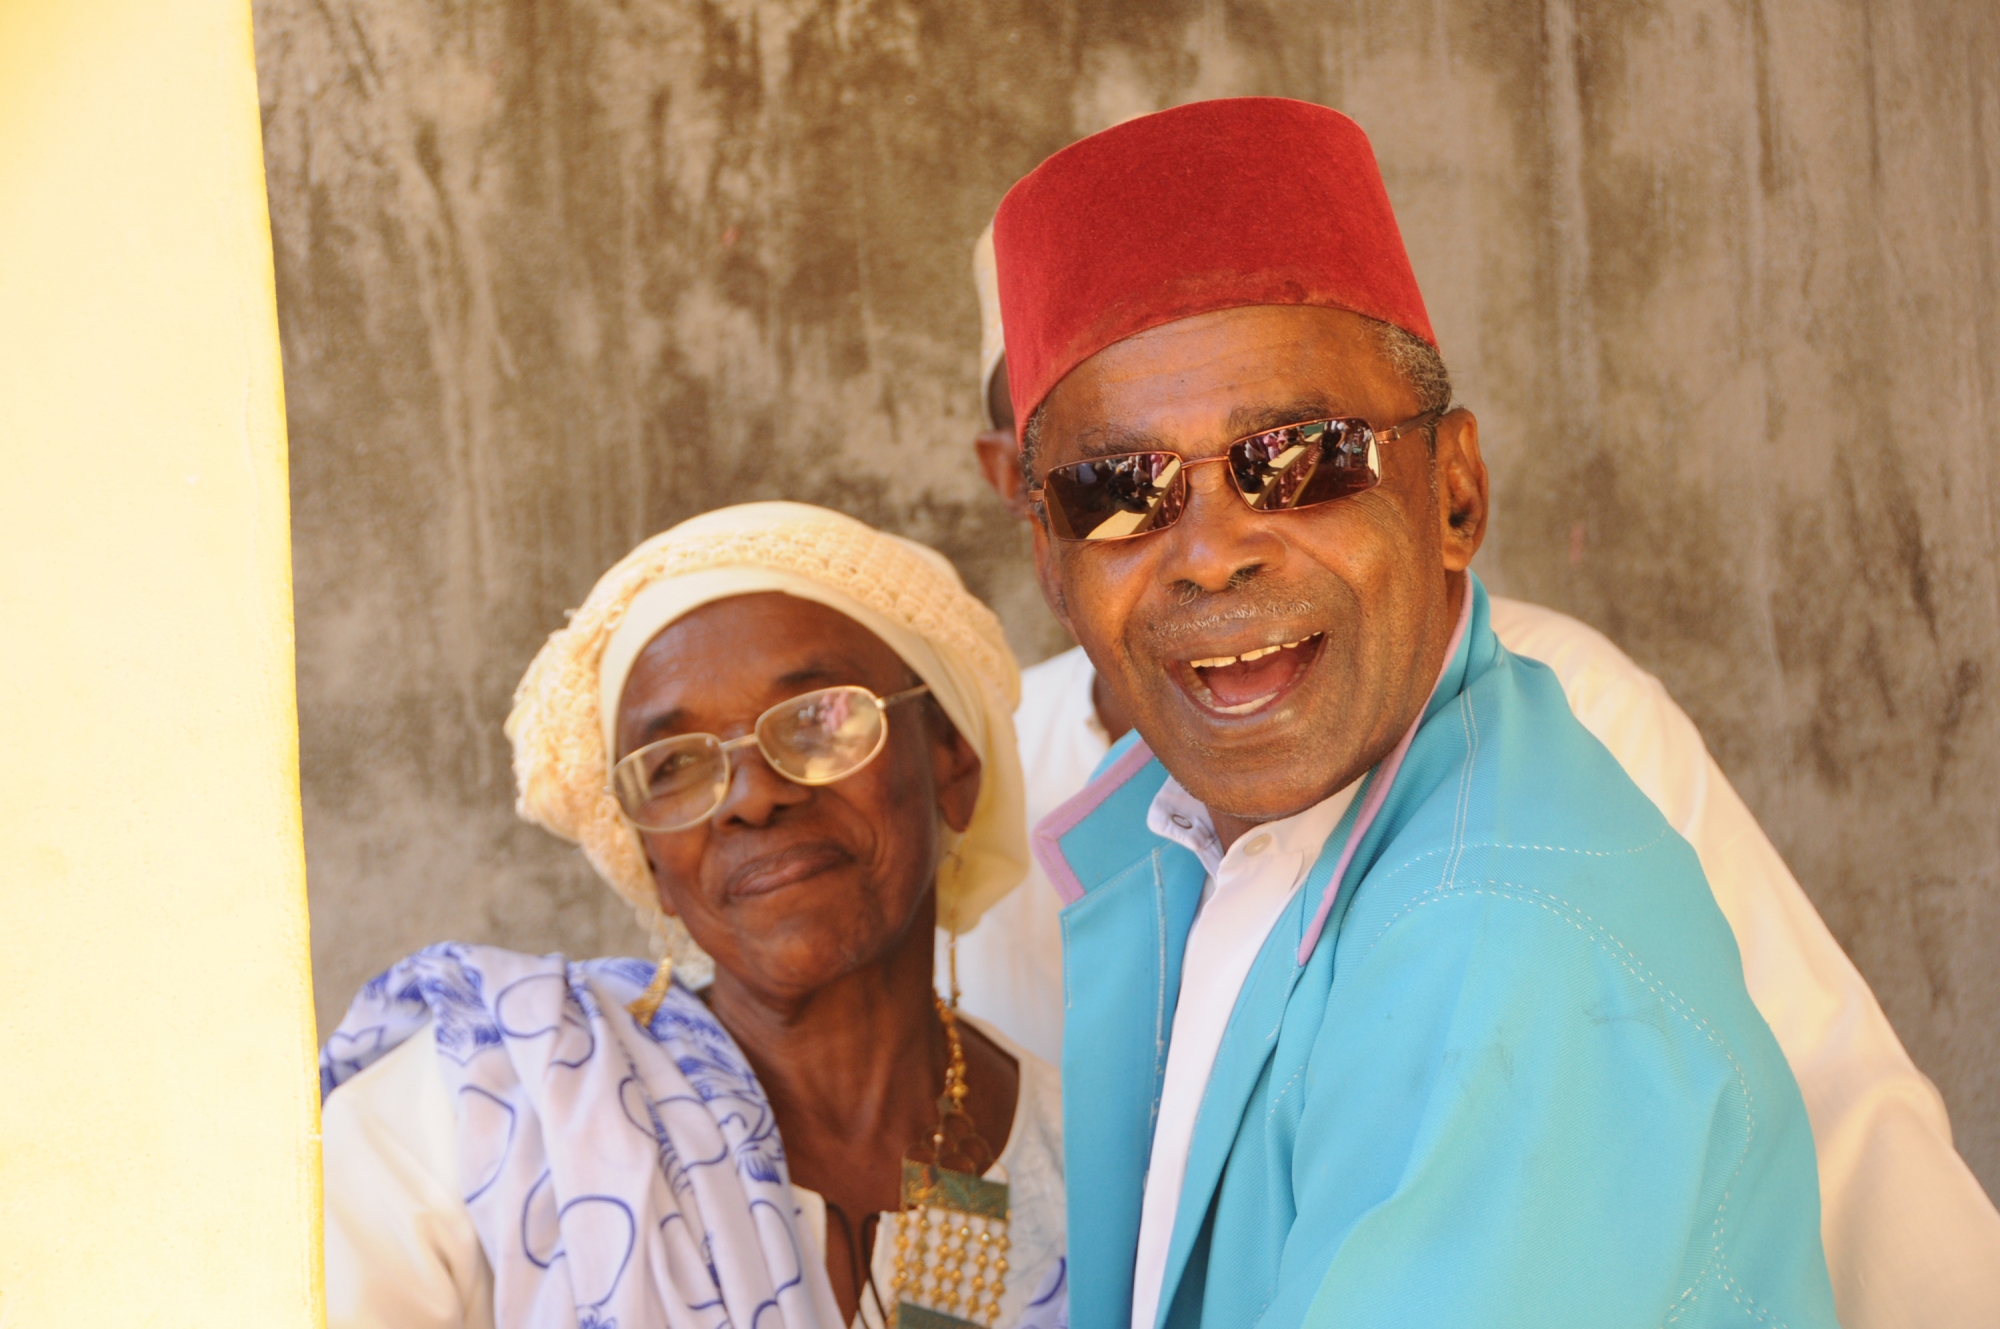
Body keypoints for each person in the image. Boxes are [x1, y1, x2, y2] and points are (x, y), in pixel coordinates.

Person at [958, 211, 2000, 1328]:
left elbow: (1848, 1128)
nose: (1211, 554)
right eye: (1113, 486)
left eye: (1302, 456)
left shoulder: (1497, 913)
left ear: (1454, 494)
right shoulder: (1131, 803)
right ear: (1042, 544)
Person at [318, 503, 1068, 1329]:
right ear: (648, 860)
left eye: (818, 717)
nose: (755, 794)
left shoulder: (1092, 1165)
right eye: (675, 763)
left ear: (950, 759)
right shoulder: (483, 1110)